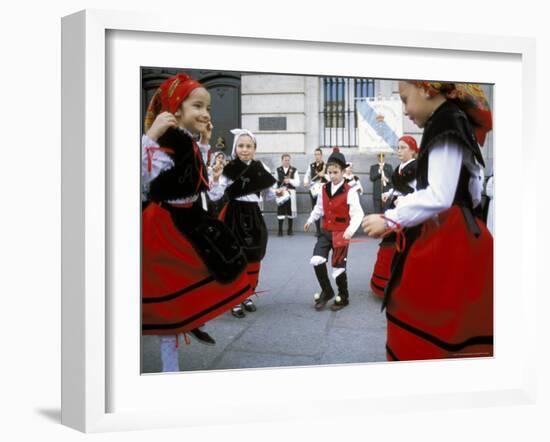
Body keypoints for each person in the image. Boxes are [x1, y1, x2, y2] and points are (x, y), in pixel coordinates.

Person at [362, 81, 493, 361]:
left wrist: (390, 218)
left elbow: (439, 195)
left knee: (424, 312)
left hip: (449, 235)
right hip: (458, 229)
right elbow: (472, 189)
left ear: (426, 89)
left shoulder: (446, 122)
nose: (406, 109)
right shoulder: (452, 120)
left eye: (406, 98)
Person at [141, 74, 253, 371]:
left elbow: (196, 173)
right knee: (169, 293)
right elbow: (138, 175)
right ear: (175, 110)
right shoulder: (165, 141)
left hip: (190, 217)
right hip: (165, 224)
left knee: (216, 261)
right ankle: (170, 364)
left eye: (208, 108)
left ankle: (192, 314)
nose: (205, 113)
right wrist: (149, 136)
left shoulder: (186, 141)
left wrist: (204, 140)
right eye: (198, 106)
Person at [209, 129, 277, 318]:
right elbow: (214, 195)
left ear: (255, 149)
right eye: (241, 145)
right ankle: (234, 298)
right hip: (234, 215)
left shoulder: (259, 168)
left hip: (254, 215)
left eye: (248, 146)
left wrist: (275, 191)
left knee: (253, 255)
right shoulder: (229, 169)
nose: (244, 150)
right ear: (235, 148)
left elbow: (269, 196)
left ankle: (247, 294)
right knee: (236, 257)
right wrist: (215, 178)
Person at [304, 148, 364, 311]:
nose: (332, 176)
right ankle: (327, 290)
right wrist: (310, 220)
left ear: (343, 171)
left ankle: (343, 296)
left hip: (341, 233)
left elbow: (358, 214)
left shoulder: (350, 191)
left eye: (336, 172)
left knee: (338, 267)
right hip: (326, 231)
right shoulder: (323, 188)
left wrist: (350, 230)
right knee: (317, 259)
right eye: (330, 172)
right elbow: (319, 208)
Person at [370, 135, 419, 298]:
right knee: (389, 243)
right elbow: (397, 187)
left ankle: (401, 285)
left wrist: (403, 200)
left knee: (403, 246)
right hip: (394, 208)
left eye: (403, 148)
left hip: (406, 212)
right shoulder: (400, 167)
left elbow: (419, 192)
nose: (399, 151)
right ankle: (384, 282)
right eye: (398, 147)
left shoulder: (416, 168)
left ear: (413, 151)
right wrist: (388, 193)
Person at [303, 148, 328, 236]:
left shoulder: (326, 165)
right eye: (315, 154)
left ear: (321, 155)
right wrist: (306, 181)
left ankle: (325, 228)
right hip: (314, 188)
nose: (317, 156)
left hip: (323, 188)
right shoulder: (311, 165)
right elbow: (307, 174)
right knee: (315, 207)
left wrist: (323, 175)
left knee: (324, 207)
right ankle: (318, 230)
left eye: (318, 154)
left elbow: (329, 177)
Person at [275, 154, 300, 236]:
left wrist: (289, 180)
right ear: (282, 160)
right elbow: (275, 182)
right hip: (281, 192)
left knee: (290, 211)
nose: (287, 161)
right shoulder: (278, 170)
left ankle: (290, 230)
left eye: (288, 160)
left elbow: (298, 183)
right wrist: (276, 191)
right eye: (285, 160)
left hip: (291, 192)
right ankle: (280, 230)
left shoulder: (294, 170)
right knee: (281, 210)